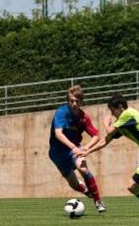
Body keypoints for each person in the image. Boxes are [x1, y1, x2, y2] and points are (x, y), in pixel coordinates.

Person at [48, 85, 106, 213]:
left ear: (81, 101)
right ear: (68, 101)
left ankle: (98, 201)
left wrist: (86, 147)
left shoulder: (84, 117)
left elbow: (96, 135)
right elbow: (58, 133)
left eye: (77, 101)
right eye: (72, 101)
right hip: (57, 153)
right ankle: (86, 190)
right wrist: (73, 147)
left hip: (74, 150)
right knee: (73, 184)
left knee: (83, 168)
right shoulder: (61, 113)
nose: (74, 104)